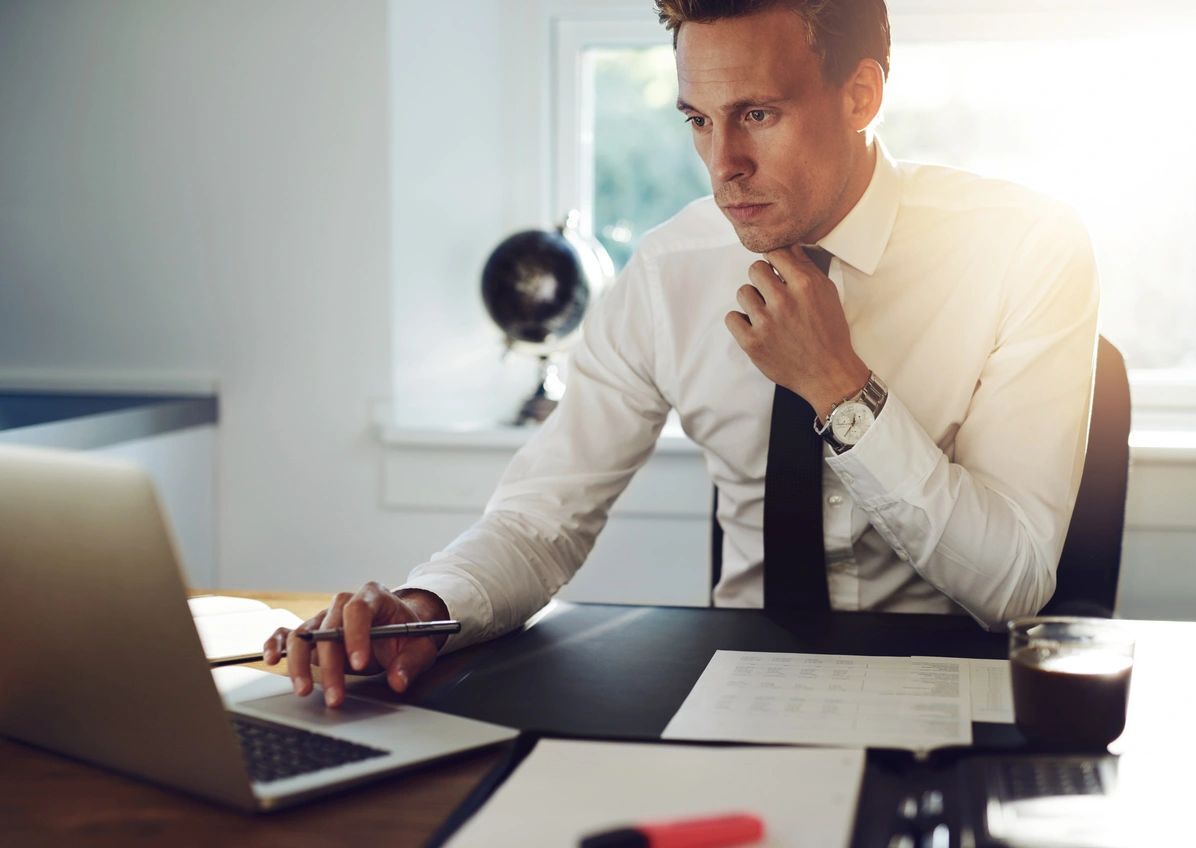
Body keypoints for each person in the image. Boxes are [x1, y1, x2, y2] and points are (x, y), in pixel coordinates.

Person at [266, 0, 1098, 708]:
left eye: (758, 115)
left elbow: (1016, 585)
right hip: (734, 690)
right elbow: (539, 522)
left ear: (861, 94)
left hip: (955, 691)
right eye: (699, 120)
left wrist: (838, 387)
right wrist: (426, 606)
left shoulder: (1023, 249)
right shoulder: (671, 273)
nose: (723, 167)